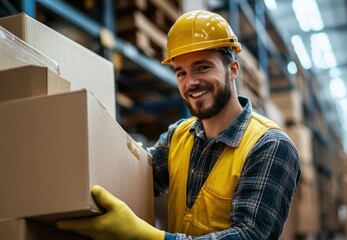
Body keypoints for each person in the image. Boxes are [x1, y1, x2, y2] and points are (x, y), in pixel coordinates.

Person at [57, 10, 301, 240]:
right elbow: (132, 176)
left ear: (233, 69)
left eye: (202, 67)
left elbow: (249, 235)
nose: (191, 82)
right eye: (181, 73)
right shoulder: (178, 136)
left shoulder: (270, 146)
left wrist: (151, 237)